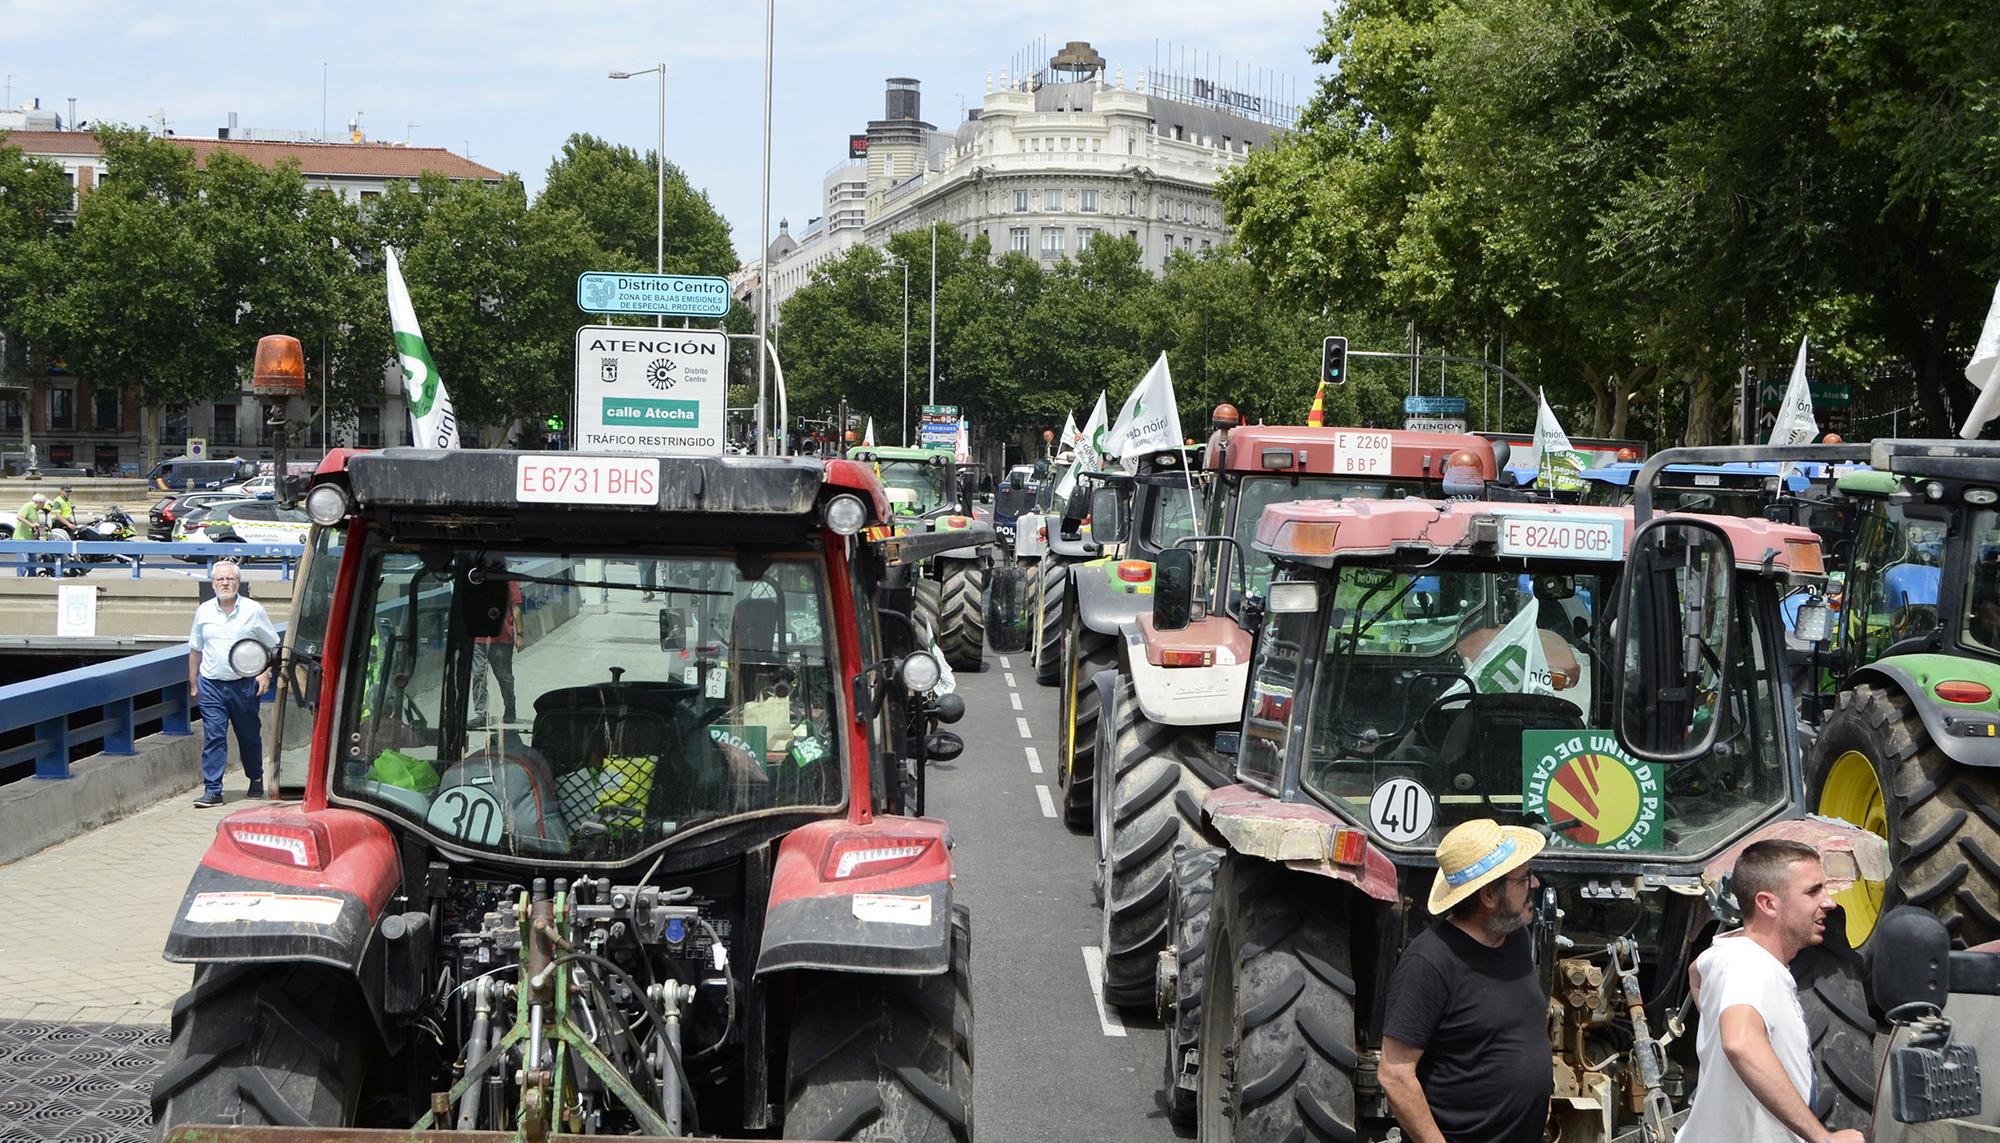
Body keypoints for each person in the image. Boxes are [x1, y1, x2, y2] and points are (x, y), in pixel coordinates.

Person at [1380, 818, 1552, 1143]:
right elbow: (1395, 1074)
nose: (1536, 884)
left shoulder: (1514, 939)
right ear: (1489, 895)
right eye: (1524, 878)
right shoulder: (1429, 963)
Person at [1681, 839, 1865, 1143]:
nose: (1829, 902)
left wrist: (1715, 1016)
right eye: (1813, 891)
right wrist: (1824, 1139)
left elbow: (1695, 972)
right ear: (1768, 904)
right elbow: (1740, 1042)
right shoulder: (1750, 963)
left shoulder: (1728, 954)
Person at [187, 560, 279, 807]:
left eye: (230, 579)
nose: (225, 583)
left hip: (244, 683)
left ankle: (256, 778)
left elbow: (272, 645)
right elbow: (195, 648)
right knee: (214, 736)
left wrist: (264, 672)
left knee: (248, 735)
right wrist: (194, 682)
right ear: (213, 583)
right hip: (211, 684)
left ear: (238, 583)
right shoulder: (204, 611)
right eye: (220, 579)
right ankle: (213, 790)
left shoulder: (254, 610)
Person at [470, 575, 524, 725]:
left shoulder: (508, 579)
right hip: (477, 637)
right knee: (478, 676)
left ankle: (510, 706)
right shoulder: (474, 577)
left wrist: (520, 635)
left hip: (501, 637)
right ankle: (481, 714)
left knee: (504, 677)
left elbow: (516, 607)